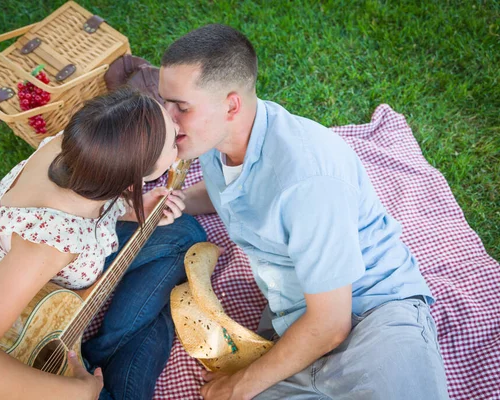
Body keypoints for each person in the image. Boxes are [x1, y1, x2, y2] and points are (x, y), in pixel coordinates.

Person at [159, 24, 449, 399]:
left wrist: (241, 385)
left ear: (231, 105)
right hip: (295, 325)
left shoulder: (306, 180)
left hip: (373, 319)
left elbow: (331, 325)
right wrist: (173, 201)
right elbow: (230, 193)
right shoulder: (218, 146)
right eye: (165, 102)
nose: (167, 118)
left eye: (180, 108)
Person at [0, 87, 206, 400]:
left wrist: (134, 208)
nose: (179, 130)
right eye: (173, 140)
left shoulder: (84, 143)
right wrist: (76, 392)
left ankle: (101, 348)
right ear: (130, 178)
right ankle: (101, 360)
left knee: (186, 233)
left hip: (41, 281)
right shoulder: (48, 244)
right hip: (9, 334)